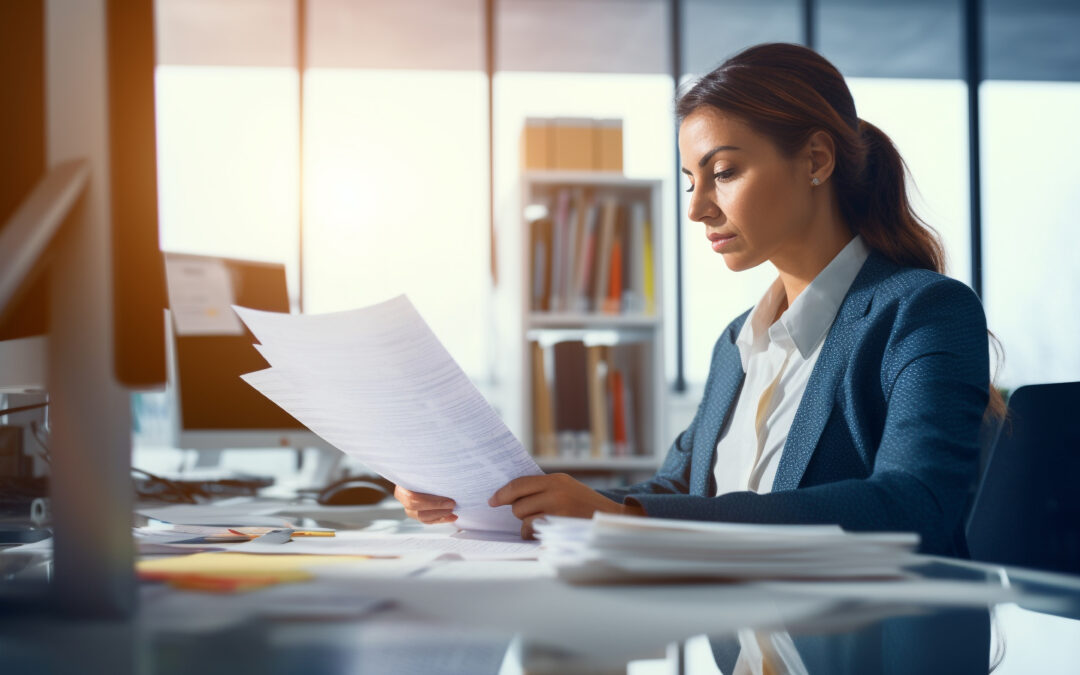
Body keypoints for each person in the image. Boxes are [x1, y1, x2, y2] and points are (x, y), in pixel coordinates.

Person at [395, 42, 1001, 556]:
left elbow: (913, 503)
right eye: (692, 180)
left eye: (724, 172)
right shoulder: (738, 343)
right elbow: (674, 490)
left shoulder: (921, 312)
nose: (696, 207)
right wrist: (505, 501)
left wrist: (627, 522)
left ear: (816, 159)